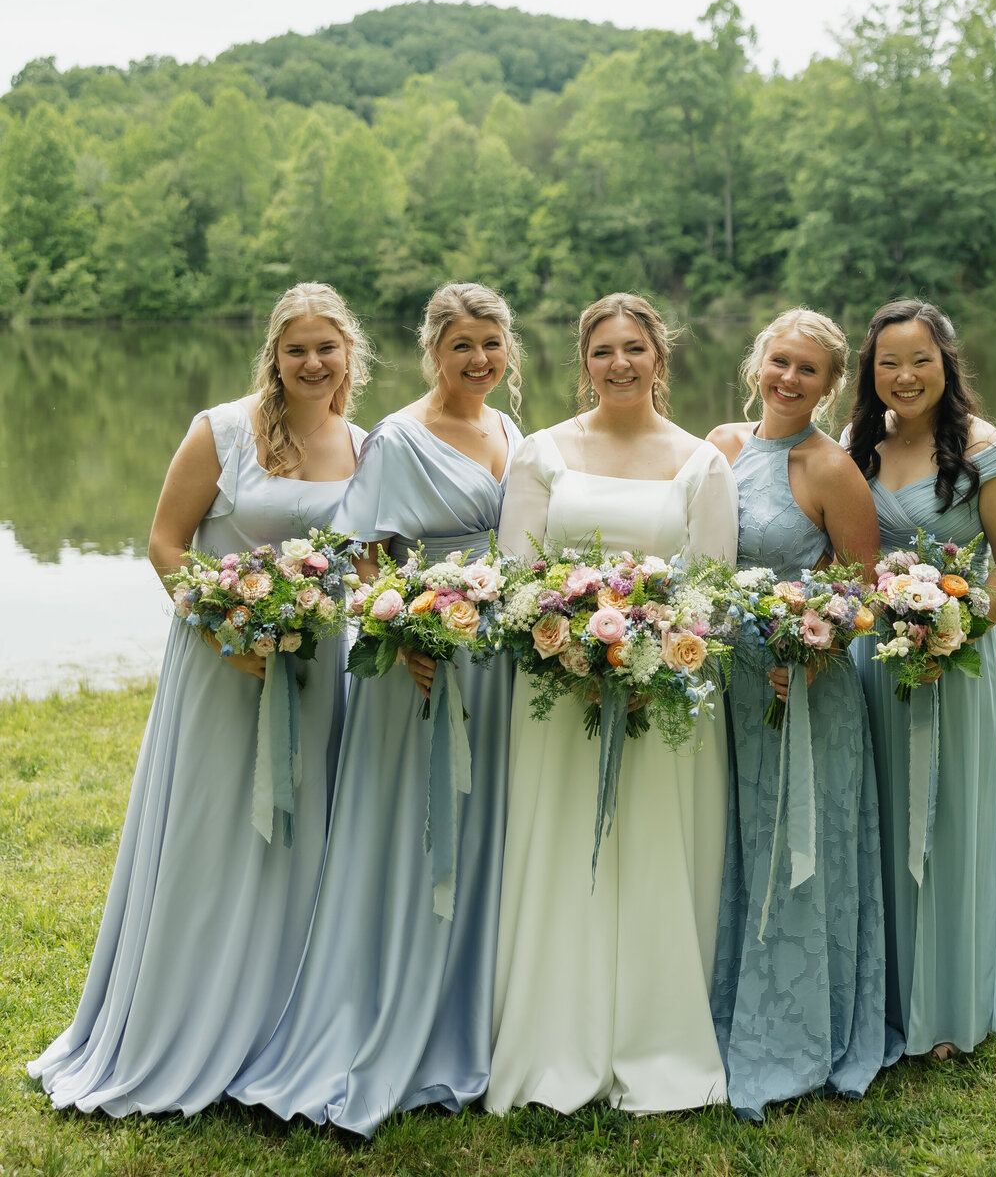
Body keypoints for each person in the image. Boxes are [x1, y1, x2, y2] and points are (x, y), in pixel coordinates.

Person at [29, 283, 371, 1116]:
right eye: (297, 348)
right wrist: (230, 628)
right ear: (274, 354)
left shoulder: (366, 444)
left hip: (320, 666)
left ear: (349, 353)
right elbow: (166, 544)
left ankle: (281, 1029)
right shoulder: (222, 429)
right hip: (224, 664)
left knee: (305, 837)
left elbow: (366, 563)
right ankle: (179, 1022)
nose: (312, 362)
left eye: (326, 346)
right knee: (214, 830)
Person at [230, 282, 522, 1134]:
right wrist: (413, 630)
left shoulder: (509, 430)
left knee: (480, 827)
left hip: (497, 656)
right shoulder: (399, 436)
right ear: (433, 349)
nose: (478, 360)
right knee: (411, 829)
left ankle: (474, 1010)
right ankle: (391, 1011)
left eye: (491, 344)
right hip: (422, 664)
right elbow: (361, 550)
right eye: (461, 344)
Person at [486, 293, 738, 1115]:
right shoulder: (541, 454)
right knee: (564, 848)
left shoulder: (702, 462)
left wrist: (648, 653)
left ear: (660, 359)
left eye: (635, 348)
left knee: (655, 848)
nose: (620, 363)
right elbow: (518, 575)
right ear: (583, 362)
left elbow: (710, 592)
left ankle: (657, 1034)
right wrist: (578, 647)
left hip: (665, 692)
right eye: (603, 351)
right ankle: (556, 1035)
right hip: (558, 690)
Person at [844, 298, 996, 1062]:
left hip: (956, 667)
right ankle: (886, 1001)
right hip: (873, 667)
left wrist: (959, 631)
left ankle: (950, 1009)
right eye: (888, 362)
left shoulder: (989, 454)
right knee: (883, 822)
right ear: (871, 372)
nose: (905, 375)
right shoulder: (860, 446)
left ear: (947, 363)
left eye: (920, 358)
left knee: (949, 823)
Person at [707, 307, 886, 1117]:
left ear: (831, 385)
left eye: (808, 370)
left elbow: (860, 588)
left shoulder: (830, 467)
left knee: (791, 848)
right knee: (729, 841)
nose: (789, 378)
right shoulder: (718, 445)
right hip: (718, 682)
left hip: (797, 687)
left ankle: (796, 1031)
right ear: (757, 362)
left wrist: (808, 657)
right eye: (780, 360)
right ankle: (712, 1014)